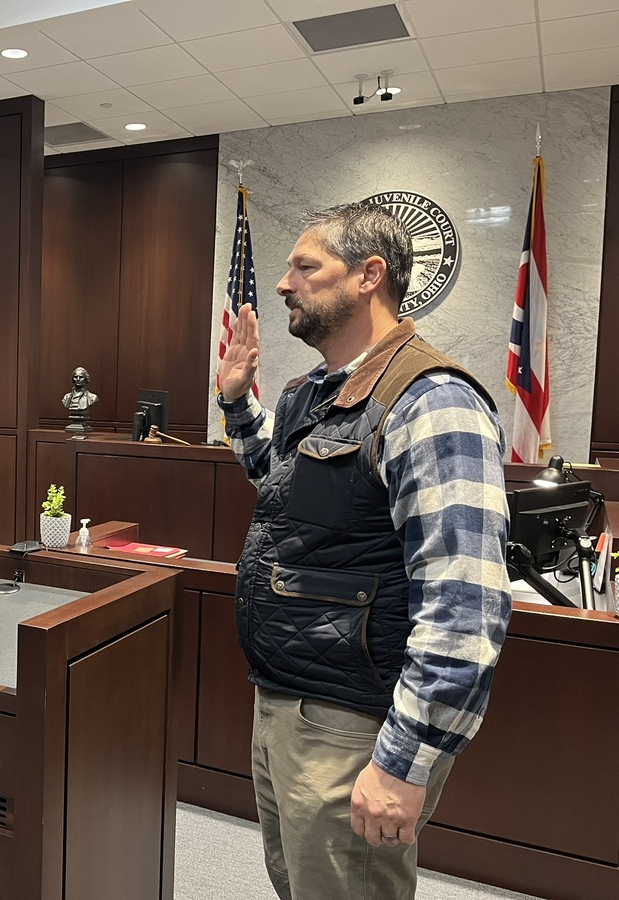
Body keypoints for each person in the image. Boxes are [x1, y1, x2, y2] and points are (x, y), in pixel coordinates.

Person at [215, 203, 511, 899]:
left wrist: (405, 761)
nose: (283, 285)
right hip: (288, 702)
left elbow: (465, 608)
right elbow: (289, 492)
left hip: (355, 723)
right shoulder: (315, 393)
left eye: (305, 266)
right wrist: (236, 403)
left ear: (367, 277)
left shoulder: (433, 401)